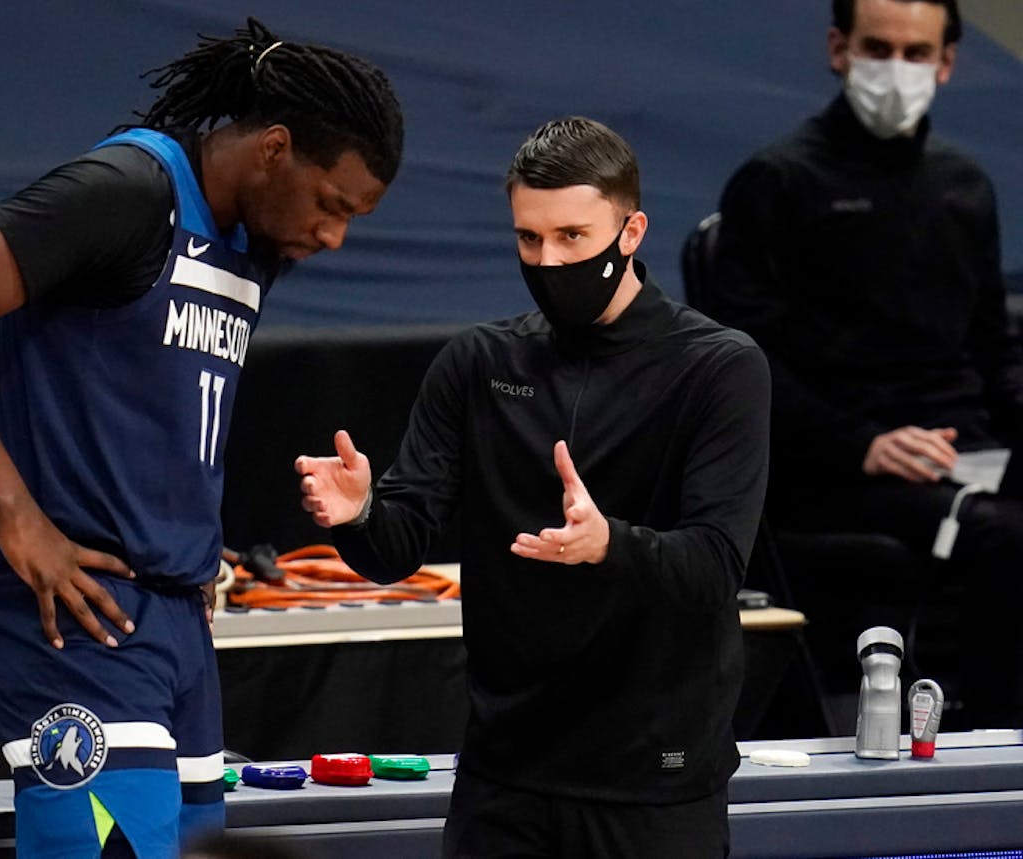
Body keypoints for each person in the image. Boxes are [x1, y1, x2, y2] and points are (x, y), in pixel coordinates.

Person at [0, 18, 402, 859]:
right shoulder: (125, 191)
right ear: (274, 149)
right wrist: (16, 517)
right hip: (78, 611)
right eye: (332, 204)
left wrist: (187, 547)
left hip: (174, 616)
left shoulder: (254, 240)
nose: (335, 237)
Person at [295, 117, 769, 857]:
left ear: (631, 230)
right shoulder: (477, 363)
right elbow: (401, 543)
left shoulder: (718, 369)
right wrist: (359, 515)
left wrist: (610, 544)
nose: (548, 261)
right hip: (505, 781)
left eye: (572, 237)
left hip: (653, 782)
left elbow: (714, 567)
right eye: (528, 239)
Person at [711, 0, 1023, 727]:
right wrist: (864, 444)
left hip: (961, 448)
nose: (896, 70)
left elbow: (992, 349)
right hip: (837, 469)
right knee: (1008, 539)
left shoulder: (964, 186)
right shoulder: (777, 182)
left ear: (946, 63)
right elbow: (741, 369)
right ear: (837, 48)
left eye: (916, 54)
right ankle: (1004, 755)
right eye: (877, 48)